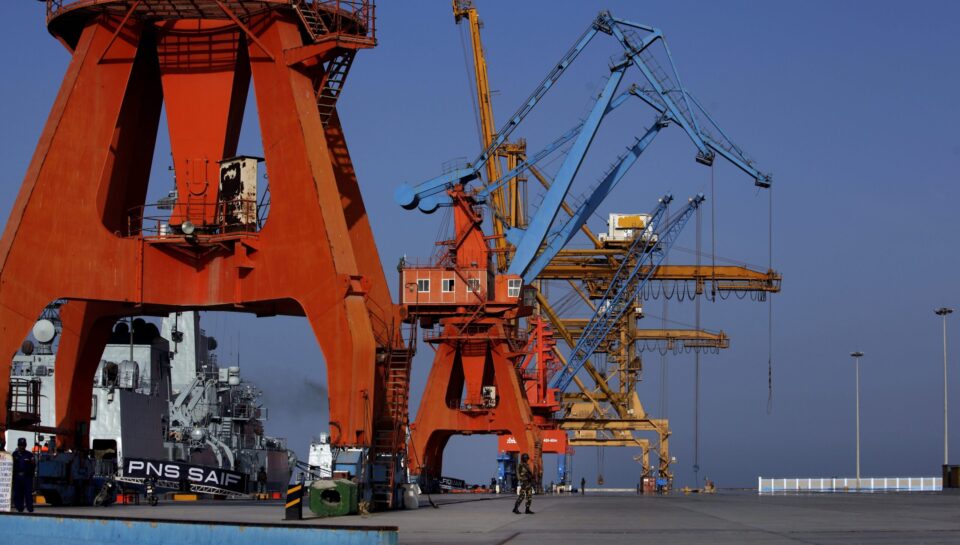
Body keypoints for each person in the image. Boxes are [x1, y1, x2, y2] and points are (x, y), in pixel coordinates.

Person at [12, 437, 36, 513]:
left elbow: (33, 466)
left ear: (25, 445)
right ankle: (19, 508)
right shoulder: (14, 454)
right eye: (20, 445)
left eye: (23, 445)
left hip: (27, 477)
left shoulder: (29, 455)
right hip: (17, 477)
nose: (22, 447)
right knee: (18, 494)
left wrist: (30, 476)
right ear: (18, 445)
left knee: (28, 494)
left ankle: (30, 509)